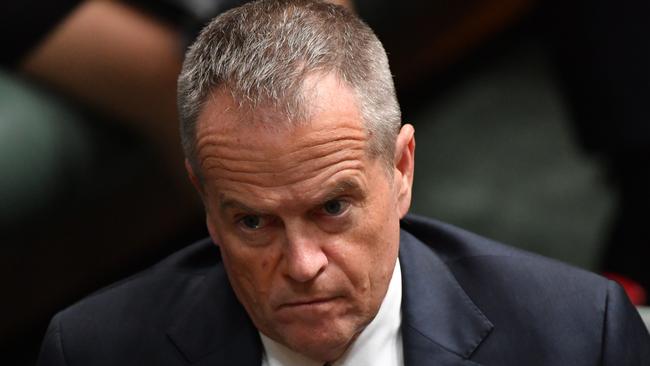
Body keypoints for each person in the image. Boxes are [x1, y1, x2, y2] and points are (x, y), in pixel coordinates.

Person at [37, 1, 650, 365]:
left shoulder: (577, 335)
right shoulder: (93, 350)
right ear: (207, 203)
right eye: (253, 221)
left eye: (332, 207)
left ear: (402, 169)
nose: (302, 265)